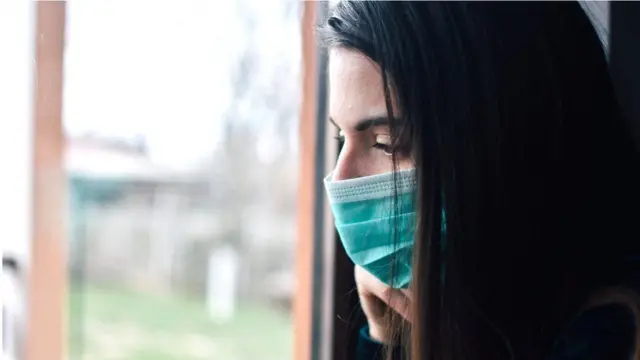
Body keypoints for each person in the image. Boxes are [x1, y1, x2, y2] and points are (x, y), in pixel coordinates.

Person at [320, 2, 640, 360]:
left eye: (387, 143)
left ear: (511, 139)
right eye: (341, 139)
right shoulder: (481, 306)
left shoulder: (609, 335)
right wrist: (385, 337)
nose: (341, 179)